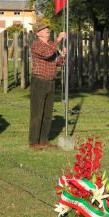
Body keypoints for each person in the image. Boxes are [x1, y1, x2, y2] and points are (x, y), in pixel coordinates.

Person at [29, 21, 66, 149]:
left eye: (48, 29)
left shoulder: (51, 44)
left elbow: (57, 62)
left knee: (48, 113)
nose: (48, 31)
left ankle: (44, 140)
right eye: (45, 30)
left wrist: (62, 56)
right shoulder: (36, 45)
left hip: (51, 80)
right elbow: (47, 54)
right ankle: (34, 142)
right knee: (37, 113)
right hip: (39, 81)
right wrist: (59, 39)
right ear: (38, 33)